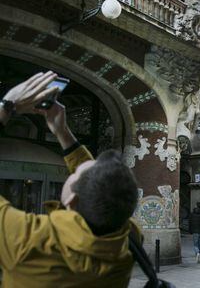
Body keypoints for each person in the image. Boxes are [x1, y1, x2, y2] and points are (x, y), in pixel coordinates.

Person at [0, 72, 141, 287]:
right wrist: (61, 131)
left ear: (72, 199)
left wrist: (7, 104)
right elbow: (102, 188)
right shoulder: (127, 242)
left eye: (75, 173)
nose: (74, 167)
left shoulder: (29, 240)